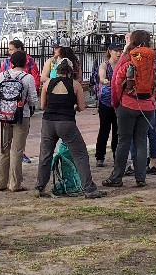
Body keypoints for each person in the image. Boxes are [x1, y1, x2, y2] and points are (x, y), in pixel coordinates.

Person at [34, 58, 105, 199]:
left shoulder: (48, 83)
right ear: (71, 71)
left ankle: (39, 187)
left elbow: (43, 106)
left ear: (57, 70)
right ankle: (89, 189)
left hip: (48, 122)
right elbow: (82, 107)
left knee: (45, 154)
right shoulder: (75, 85)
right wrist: (73, 107)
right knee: (80, 154)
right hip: (66, 122)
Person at [102, 30, 156, 189]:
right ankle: (140, 178)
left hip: (127, 105)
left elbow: (116, 81)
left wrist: (116, 103)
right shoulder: (151, 60)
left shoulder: (128, 58)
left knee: (124, 141)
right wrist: (153, 102)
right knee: (141, 141)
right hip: (147, 106)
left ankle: (117, 177)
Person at [0, 50, 38, 192]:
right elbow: (32, 100)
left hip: (4, 116)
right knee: (17, 150)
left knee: (3, 149)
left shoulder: (2, 75)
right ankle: (15, 183)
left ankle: (0, 182)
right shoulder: (28, 78)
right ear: (25, 63)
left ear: (11, 63)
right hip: (21, 115)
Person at [0, 39, 40, 163]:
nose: (9, 52)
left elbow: (36, 78)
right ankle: (17, 156)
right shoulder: (6, 63)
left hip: (6, 108)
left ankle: (19, 154)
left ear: (20, 49)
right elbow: (34, 85)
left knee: (10, 141)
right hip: (20, 107)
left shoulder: (30, 62)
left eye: (12, 49)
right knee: (17, 136)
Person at [94, 43, 123, 167]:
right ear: (110, 51)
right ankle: (100, 156)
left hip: (118, 102)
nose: (118, 53)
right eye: (116, 51)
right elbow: (101, 75)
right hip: (105, 101)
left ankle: (117, 155)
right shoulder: (104, 65)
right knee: (104, 129)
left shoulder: (122, 65)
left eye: (120, 51)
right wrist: (104, 80)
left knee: (117, 130)